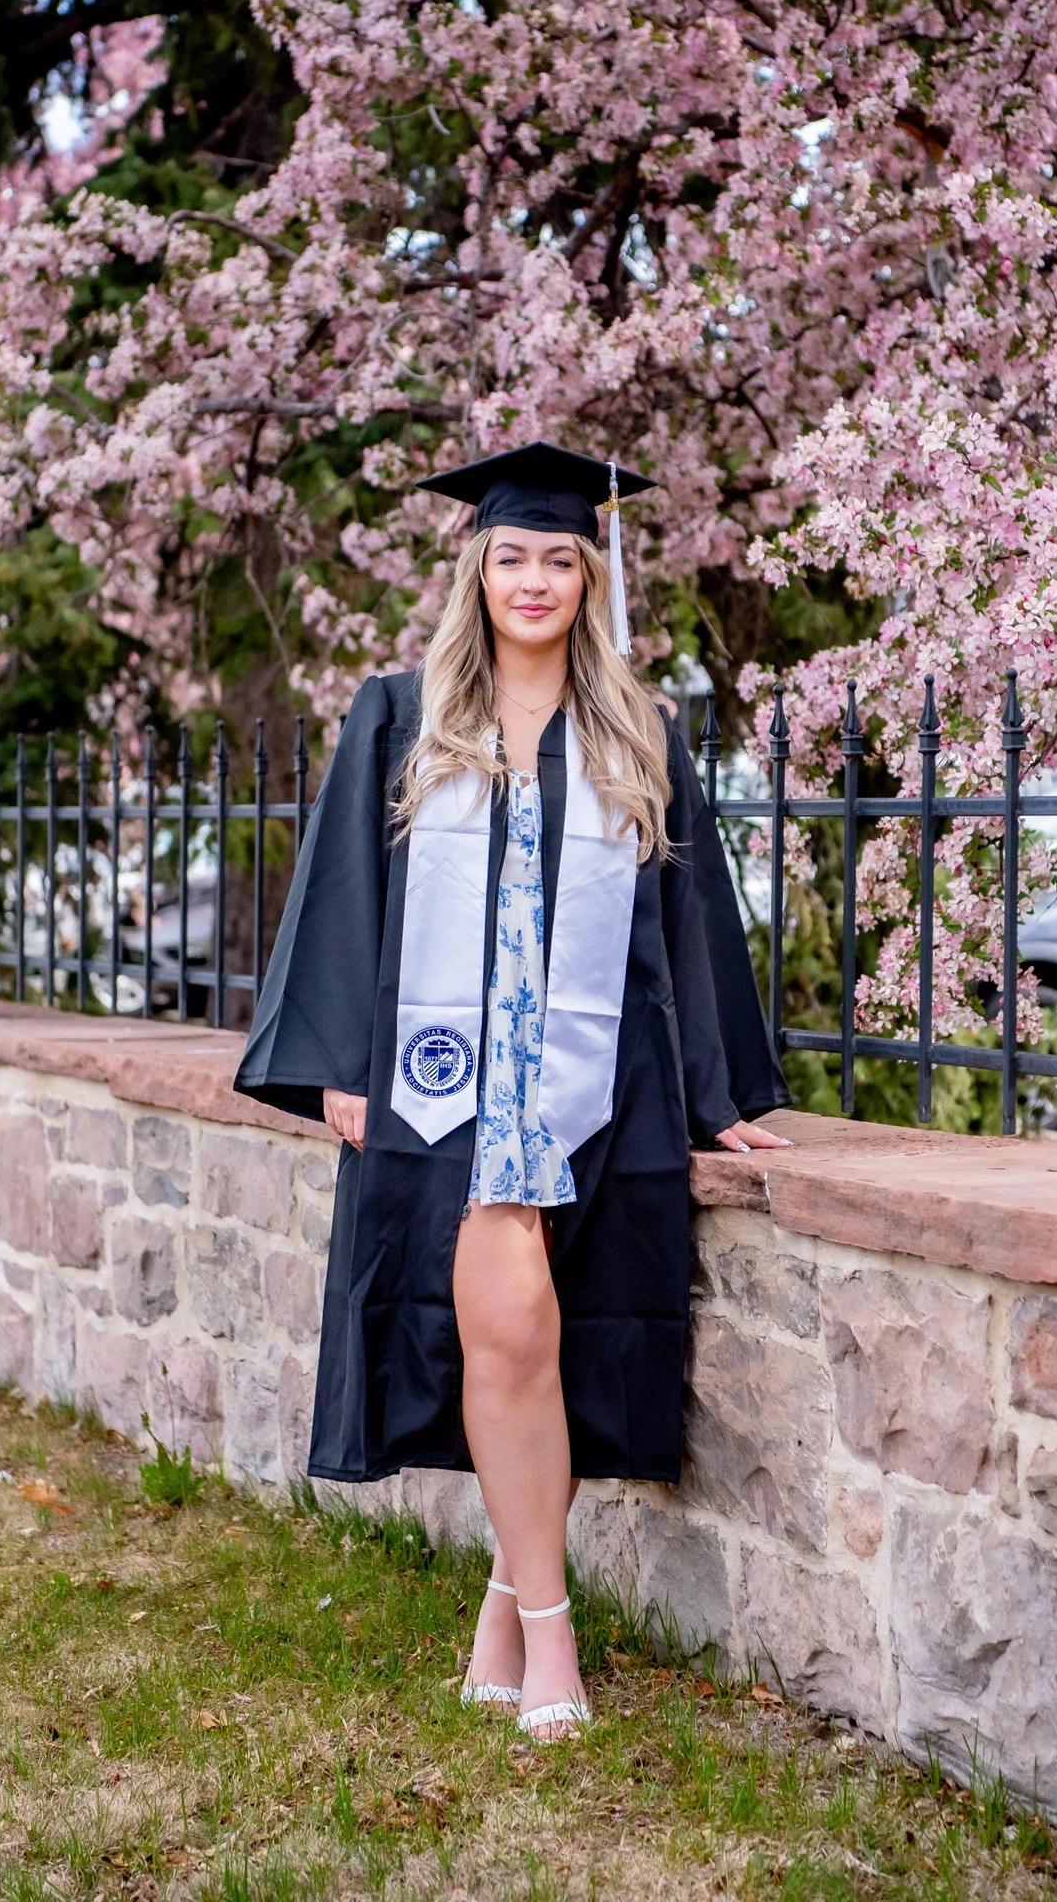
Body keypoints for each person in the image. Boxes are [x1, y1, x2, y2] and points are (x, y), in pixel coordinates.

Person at [234, 441, 791, 1743]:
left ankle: (502, 1600)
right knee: (513, 1323)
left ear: (589, 578)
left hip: (592, 1088)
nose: (532, 579)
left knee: (537, 1335)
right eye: (511, 557)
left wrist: (715, 1093)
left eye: (557, 558)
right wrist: (335, 1063)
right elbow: (341, 893)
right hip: (445, 1091)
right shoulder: (401, 713)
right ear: (475, 571)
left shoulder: (631, 732)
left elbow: (686, 919)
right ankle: (552, 1641)